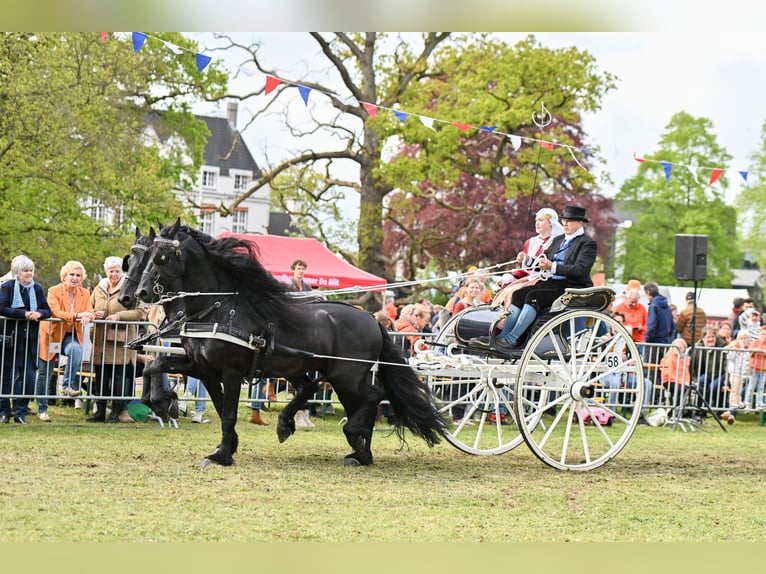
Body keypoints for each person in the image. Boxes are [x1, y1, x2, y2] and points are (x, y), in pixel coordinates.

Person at [491, 205, 597, 354]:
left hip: (572, 285)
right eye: (564, 220)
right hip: (554, 282)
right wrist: (528, 260)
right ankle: (502, 337)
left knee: (534, 297)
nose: (565, 224)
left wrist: (553, 267)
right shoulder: (558, 240)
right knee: (519, 294)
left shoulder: (587, 243)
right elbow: (542, 260)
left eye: (569, 221)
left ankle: (511, 339)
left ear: (580, 223)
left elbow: (580, 269)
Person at [35, 261, 95, 420]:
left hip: (70, 335)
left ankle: (67, 385)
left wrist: (88, 315)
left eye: (78, 275)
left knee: (76, 350)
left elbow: (90, 311)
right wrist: (76, 316)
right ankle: (42, 409)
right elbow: (54, 311)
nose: (75, 278)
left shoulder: (85, 293)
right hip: (51, 334)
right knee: (44, 372)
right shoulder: (53, 290)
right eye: (72, 275)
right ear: (64, 276)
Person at [88, 256, 145, 423]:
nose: (114, 274)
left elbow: (140, 312)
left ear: (122, 271)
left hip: (121, 342)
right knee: (101, 377)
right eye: (111, 271)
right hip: (101, 340)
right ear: (106, 272)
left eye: (117, 271)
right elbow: (88, 306)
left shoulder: (131, 287)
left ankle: (116, 412)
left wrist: (119, 316)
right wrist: (93, 314)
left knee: (118, 378)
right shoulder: (99, 288)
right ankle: (100, 412)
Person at [0, 256, 51, 424]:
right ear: (17, 272)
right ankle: (4, 411)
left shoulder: (36, 288)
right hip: (10, 340)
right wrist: (24, 314)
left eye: (31, 270)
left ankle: (20, 411)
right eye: (25, 270)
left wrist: (39, 314)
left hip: (29, 341)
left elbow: (47, 310)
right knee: (5, 377)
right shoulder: (6, 287)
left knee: (29, 378)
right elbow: (2, 308)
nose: (29, 273)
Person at [493, 207, 564, 311]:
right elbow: (523, 270)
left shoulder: (559, 242)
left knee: (514, 293)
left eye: (540, 220)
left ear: (550, 223)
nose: (537, 223)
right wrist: (510, 277)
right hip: (529, 278)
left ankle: (508, 318)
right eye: (536, 220)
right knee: (506, 290)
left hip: (545, 280)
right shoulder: (530, 242)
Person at [691, 326, 728, 410]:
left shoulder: (722, 346)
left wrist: (727, 382)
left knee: (713, 386)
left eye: (713, 337)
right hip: (708, 373)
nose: (711, 339)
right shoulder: (698, 347)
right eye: (708, 337)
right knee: (700, 382)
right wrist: (693, 379)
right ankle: (701, 408)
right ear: (703, 338)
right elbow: (694, 364)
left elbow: (726, 364)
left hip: (721, 373)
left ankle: (718, 409)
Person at [720, 331, 751, 422]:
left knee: (738, 390)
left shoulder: (749, 352)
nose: (743, 341)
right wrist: (732, 348)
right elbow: (728, 354)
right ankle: (733, 410)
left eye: (745, 338)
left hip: (745, 377)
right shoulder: (734, 350)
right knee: (735, 390)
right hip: (735, 374)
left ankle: (729, 412)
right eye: (741, 338)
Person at [659, 338, 691, 408]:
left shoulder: (686, 359)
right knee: (681, 389)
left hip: (680, 381)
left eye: (680, 348)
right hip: (668, 381)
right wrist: (682, 382)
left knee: (692, 388)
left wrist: (687, 382)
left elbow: (686, 373)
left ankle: (698, 412)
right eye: (676, 347)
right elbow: (669, 374)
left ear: (685, 349)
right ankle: (676, 408)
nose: (678, 349)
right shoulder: (669, 357)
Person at [745, 325, 766, 410]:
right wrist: (756, 350)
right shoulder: (754, 343)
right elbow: (750, 353)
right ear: (759, 334)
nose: (764, 336)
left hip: (764, 369)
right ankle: (747, 402)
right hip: (752, 368)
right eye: (763, 334)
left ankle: (759, 403)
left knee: (761, 387)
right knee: (751, 386)